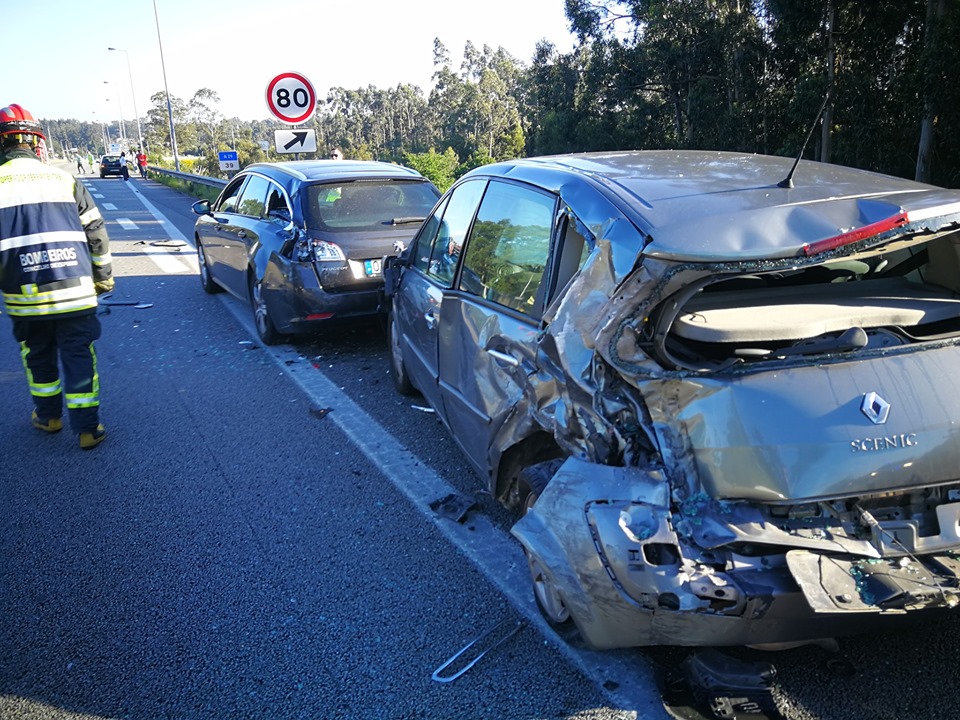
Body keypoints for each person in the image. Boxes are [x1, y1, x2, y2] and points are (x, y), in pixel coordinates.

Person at [0, 103, 114, 449]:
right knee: (79, 353)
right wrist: (103, 277)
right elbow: (95, 231)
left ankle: (48, 417)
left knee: (37, 353)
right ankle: (87, 429)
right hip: (75, 291)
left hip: (25, 296)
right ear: (36, 144)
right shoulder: (64, 179)